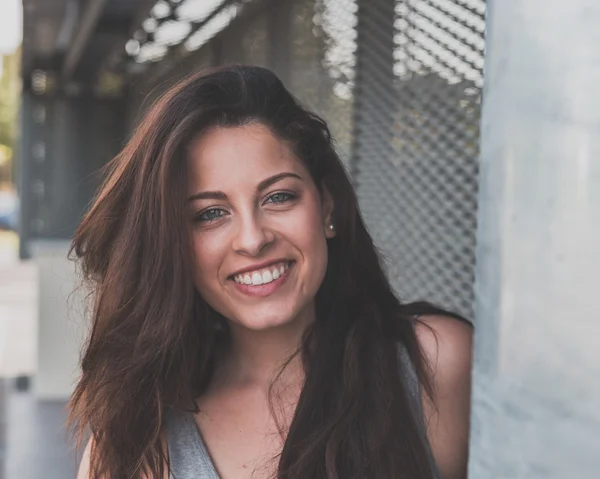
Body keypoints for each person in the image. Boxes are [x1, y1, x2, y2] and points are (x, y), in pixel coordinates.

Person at [72, 65, 473, 479]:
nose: (252, 239)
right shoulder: (134, 437)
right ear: (172, 244)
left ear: (328, 207)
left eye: (279, 197)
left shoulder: (434, 364)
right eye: (210, 213)